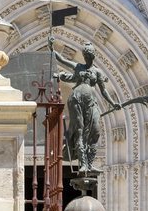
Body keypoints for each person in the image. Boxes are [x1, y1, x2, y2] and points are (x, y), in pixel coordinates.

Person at [49, 36, 121, 173]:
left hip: (91, 103)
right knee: (80, 131)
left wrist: (113, 103)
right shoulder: (78, 66)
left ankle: (89, 163)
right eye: (86, 55)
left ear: (93, 56)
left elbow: (103, 90)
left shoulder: (97, 72)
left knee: (95, 131)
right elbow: (62, 60)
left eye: (89, 56)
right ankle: (83, 164)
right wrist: (52, 48)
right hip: (76, 99)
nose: (87, 58)